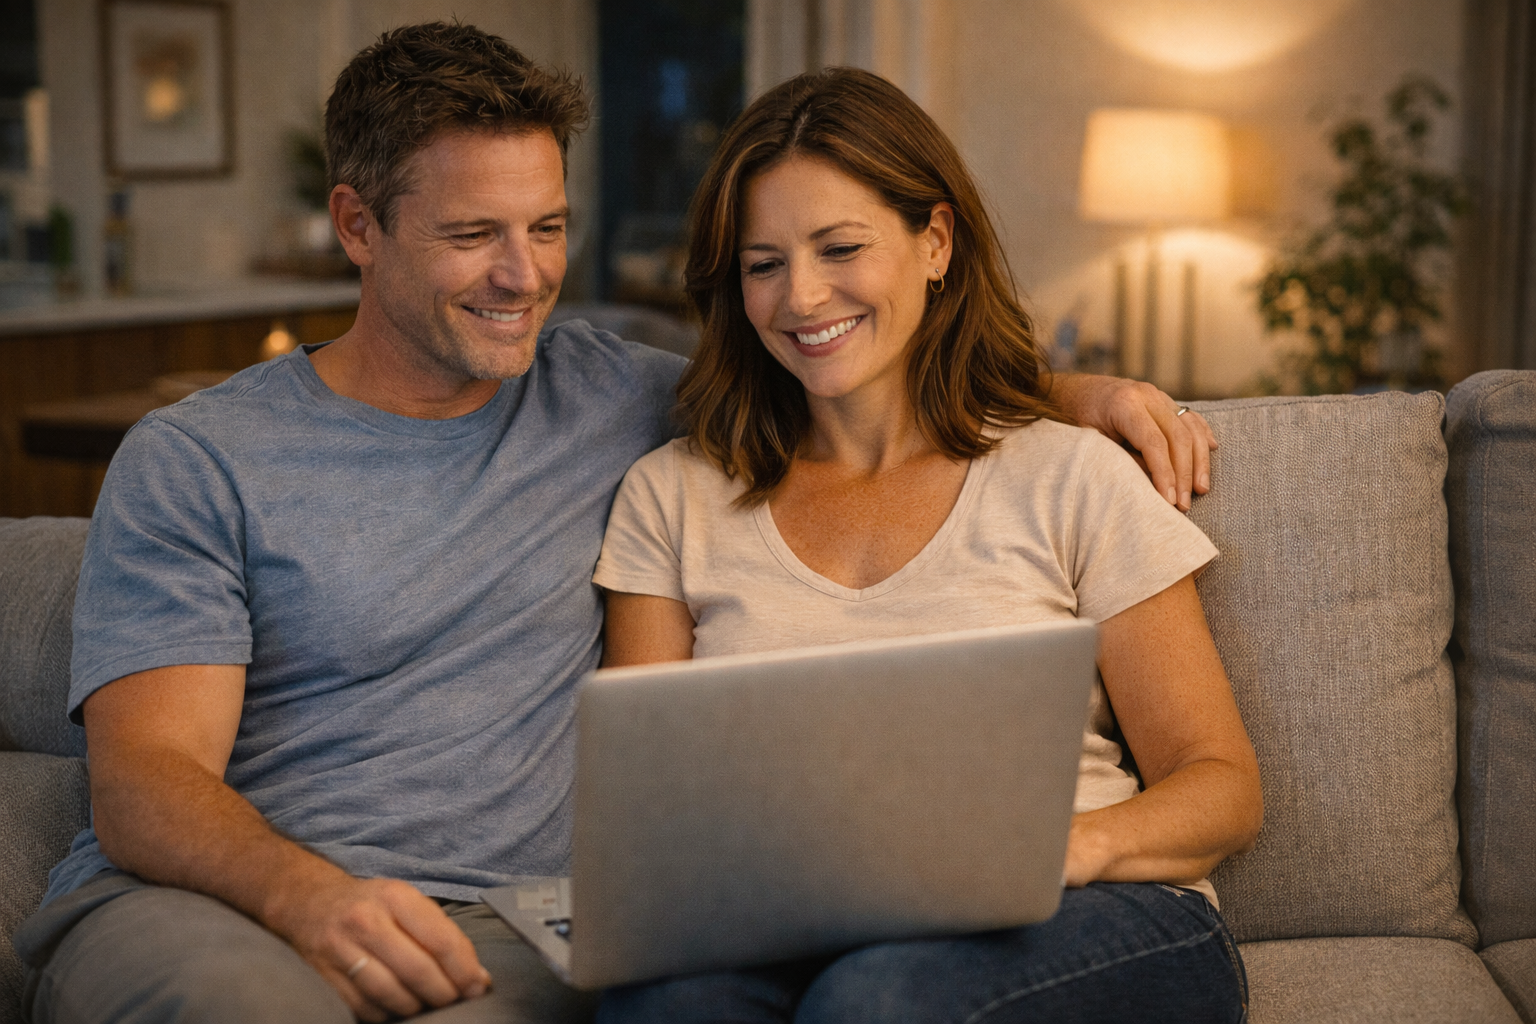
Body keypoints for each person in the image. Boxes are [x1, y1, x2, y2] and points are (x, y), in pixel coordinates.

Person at [14, 26, 1217, 1024]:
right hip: (233, 907)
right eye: (473, 234)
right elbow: (149, 783)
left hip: (515, 924)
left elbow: (849, 355)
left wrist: (1081, 395)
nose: (523, 274)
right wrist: (311, 896)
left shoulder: (615, 395)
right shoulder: (200, 460)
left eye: (545, 226)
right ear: (358, 225)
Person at [592, 67, 1261, 1023]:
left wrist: (1062, 849)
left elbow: (1224, 788)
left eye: (840, 247)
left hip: (1097, 914)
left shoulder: (1070, 476)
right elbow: (646, 819)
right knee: (663, 1004)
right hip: (796, 923)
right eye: (763, 263)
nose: (802, 296)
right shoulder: (672, 496)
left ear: (935, 241)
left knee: (879, 999)